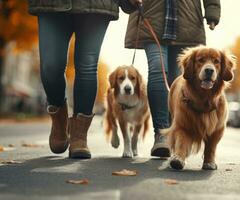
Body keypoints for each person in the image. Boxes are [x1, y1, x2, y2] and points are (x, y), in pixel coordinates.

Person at [28, 0, 142, 159]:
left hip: (96, 5)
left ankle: (79, 136)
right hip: (51, 4)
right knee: (50, 66)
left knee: (87, 66)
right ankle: (60, 120)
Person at [125, 0, 221, 157]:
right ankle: (162, 133)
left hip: (187, 20)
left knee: (178, 80)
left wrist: (212, 11)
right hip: (151, 14)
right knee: (157, 69)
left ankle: (176, 131)